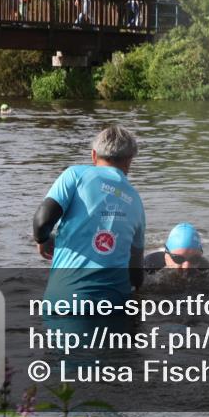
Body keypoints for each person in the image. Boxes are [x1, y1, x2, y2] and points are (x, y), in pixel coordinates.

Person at [33, 125, 146, 306]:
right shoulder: (136, 200)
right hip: (114, 306)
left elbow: (42, 222)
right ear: (129, 161)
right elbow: (136, 275)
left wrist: (42, 240)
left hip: (65, 302)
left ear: (94, 155)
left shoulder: (74, 175)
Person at [143, 222, 209, 272]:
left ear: (201, 255)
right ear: (166, 256)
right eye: (178, 259)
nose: (186, 267)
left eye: (194, 259)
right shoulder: (149, 266)